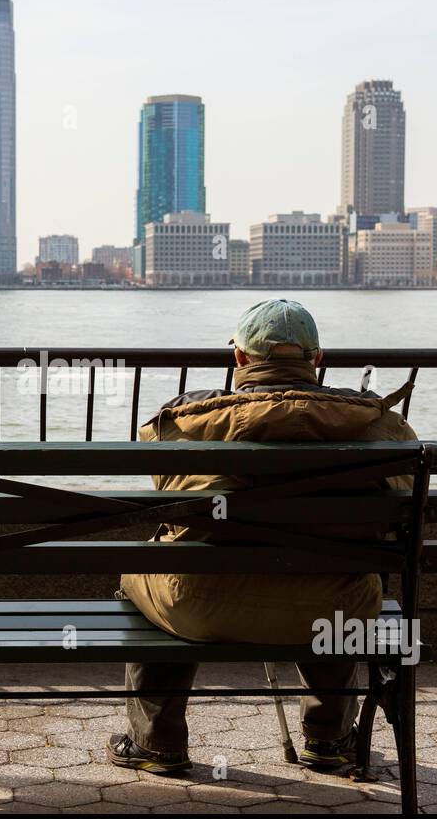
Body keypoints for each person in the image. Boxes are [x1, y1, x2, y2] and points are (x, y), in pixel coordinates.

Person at [108, 299, 418, 775]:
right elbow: (404, 508)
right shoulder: (378, 424)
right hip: (333, 609)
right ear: (317, 360)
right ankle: (330, 739)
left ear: (240, 360)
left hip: (200, 605)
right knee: (339, 575)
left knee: (149, 565)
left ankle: (157, 743)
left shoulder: (189, 422)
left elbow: (167, 494)